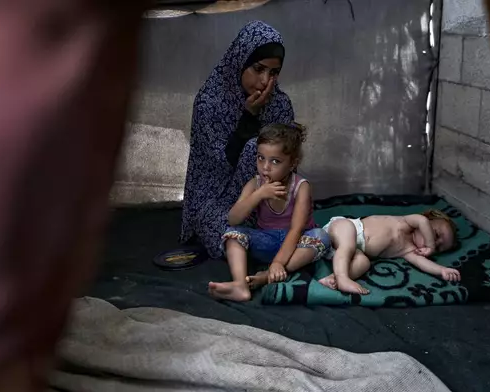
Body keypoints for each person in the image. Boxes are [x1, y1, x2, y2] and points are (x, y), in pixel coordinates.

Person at [180, 20, 295, 259]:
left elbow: (288, 164)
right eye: (258, 69)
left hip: (268, 202)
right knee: (218, 230)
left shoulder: (280, 105)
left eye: (273, 73)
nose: (265, 81)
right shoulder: (209, 103)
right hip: (216, 201)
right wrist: (249, 117)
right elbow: (216, 167)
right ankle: (260, 241)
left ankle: (258, 238)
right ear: (239, 61)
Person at [208, 123, 330, 302]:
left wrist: (278, 263)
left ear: (292, 163)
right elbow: (233, 219)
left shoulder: (301, 187)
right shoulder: (255, 184)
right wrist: (258, 195)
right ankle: (240, 284)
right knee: (232, 234)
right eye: (260, 158)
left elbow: (296, 230)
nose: (265, 167)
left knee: (322, 236)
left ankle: (267, 276)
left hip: (297, 244)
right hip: (267, 242)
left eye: (275, 161)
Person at [318, 210, 461, 295]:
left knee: (363, 262)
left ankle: (333, 279)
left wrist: (442, 270)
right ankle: (343, 278)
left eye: (439, 248)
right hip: (343, 228)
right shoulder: (407, 221)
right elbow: (422, 221)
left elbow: (422, 263)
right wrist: (430, 245)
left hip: (344, 253)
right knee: (347, 243)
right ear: (428, 220)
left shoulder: (409, 250)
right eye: (435, 235)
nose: (435, 244)